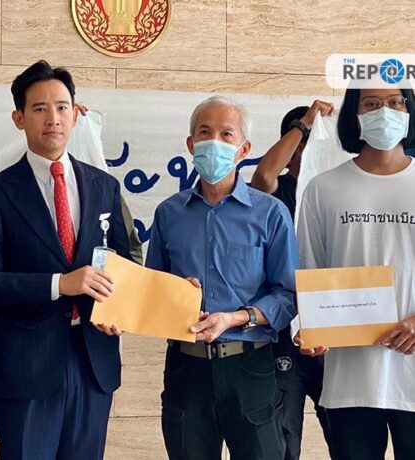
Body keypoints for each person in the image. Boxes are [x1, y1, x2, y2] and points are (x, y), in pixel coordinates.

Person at [0, 60, 131, 460]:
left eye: (61, 107)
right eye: (39, 108)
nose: (52, 118)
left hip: (93, 360)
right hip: (27, 366)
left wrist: (123, 308)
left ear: (74, 115)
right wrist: (60, 284)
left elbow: (122, 263)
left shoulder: (104, 186)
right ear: (19, 118)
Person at [145, 95, 297, 460]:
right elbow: (151, 290)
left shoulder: (271, 213)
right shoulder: (168, 214)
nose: (214, 141)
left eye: (226, 134)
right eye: (204, 132)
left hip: (250, 366)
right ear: (190, 143)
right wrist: (174, 298)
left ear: (244, 149)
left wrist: (236, 317)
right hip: (187, 368)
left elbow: (288, 295)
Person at [297, 85, 415, 459]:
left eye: (396, 102)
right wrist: (311, 327)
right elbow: (309, 270)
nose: (385, 111)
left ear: (409, 110)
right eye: (371, 104)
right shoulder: (323, 188)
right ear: (355, 114)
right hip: (350, 380)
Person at [251, 100, 335, 460]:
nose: (311, 146)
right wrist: (306, 122)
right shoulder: (275, 193)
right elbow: (262, 178)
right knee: (283, 443)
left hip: (332, 335)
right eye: (303, 139)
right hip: (284, 334)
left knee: (348, 437)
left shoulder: (337, 190)